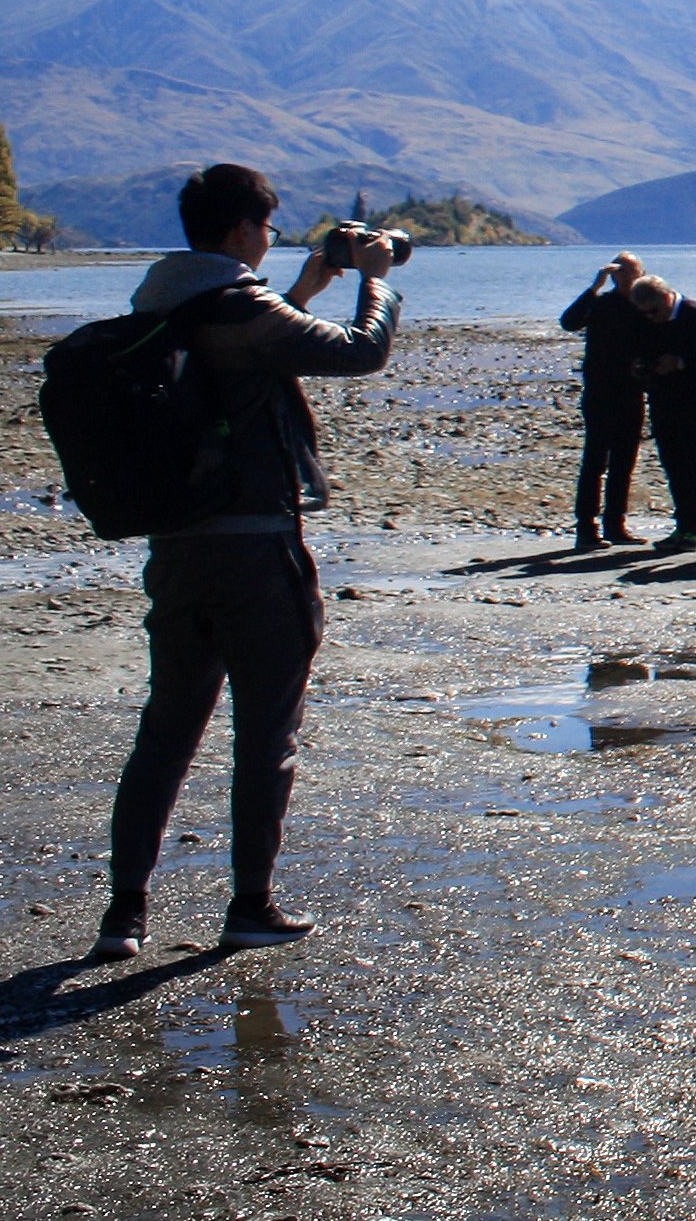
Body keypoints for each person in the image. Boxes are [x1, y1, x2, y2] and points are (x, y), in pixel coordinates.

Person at [96, 163, 403, 962]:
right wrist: (375, 281)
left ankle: (124, 914)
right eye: (265, 229)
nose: (268, 240)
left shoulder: (164, 304)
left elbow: (244, 364)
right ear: (241, 231)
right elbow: (361, 354)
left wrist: (304, 285)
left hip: (178, 549)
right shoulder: (241, 306)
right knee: (266, 732)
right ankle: (250, 905)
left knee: (165, 733)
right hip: (257, 550)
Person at [558, 252, 653, 549]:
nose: (628, 279)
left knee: (624, 462)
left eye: (633, 274)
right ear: (613, 277)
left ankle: (615, 524)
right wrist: (593, 288)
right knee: (595, 462)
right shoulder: (601, 304)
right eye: (622, 274)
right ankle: (586, 528)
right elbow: (569, 322)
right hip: (600, 392)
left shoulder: (643, 308)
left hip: (632, 391)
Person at [629, 275, 696, 548]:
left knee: (693, 466)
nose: (651, 318)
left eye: (654, 311)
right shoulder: (648, 321)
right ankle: (683, 526)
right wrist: (642, 367)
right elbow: (641, 350)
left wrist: (681, 362)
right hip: (663, 401)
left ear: (666, 297)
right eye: (644, 313)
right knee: (673, 465)